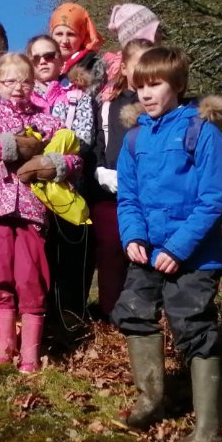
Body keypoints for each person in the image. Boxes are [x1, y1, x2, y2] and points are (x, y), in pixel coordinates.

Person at [112, 46, 222, 442]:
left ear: (178, 85)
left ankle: (207, 430)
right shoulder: (133, 139)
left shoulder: (202, 131)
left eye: (156, 84)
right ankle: (151, 400)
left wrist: (178, 248)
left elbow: (213, 199)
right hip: (146, 251)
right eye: (139, 86)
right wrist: (132, 237)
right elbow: (127, 197)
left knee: (193, 328)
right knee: (132, 312)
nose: (146, 94)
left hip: (194, 255)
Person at [0, 54, 77, 372]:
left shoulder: (47, 119)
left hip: (31, 211)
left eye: (25, 80)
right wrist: (7, 146)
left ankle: (30, 352)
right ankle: (3, 345)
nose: (18, 87)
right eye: (10, 81)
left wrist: (54, 165)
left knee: (31, 277)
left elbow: (75, 158)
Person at [28, 33, 97, 321]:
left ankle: (71, 322)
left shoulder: (76, 97)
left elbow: (84, 140)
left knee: (69, 260)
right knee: (34, 265)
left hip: (68, 189)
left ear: (61, 60)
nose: (43, 61)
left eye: (50, 56)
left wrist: (54, 162)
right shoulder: (21, 100)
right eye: (36, 57)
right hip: (30, 197)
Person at [89, 38, 153, 319]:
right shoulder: (107, 103)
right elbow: (96, 141)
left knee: (143, 252)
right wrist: (99, 170)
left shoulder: (157, 101)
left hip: (148, 190)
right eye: (137, 64)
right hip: (109, 192)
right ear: (124, 67)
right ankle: (110, 315)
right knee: (111, 251)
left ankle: (145, 313)